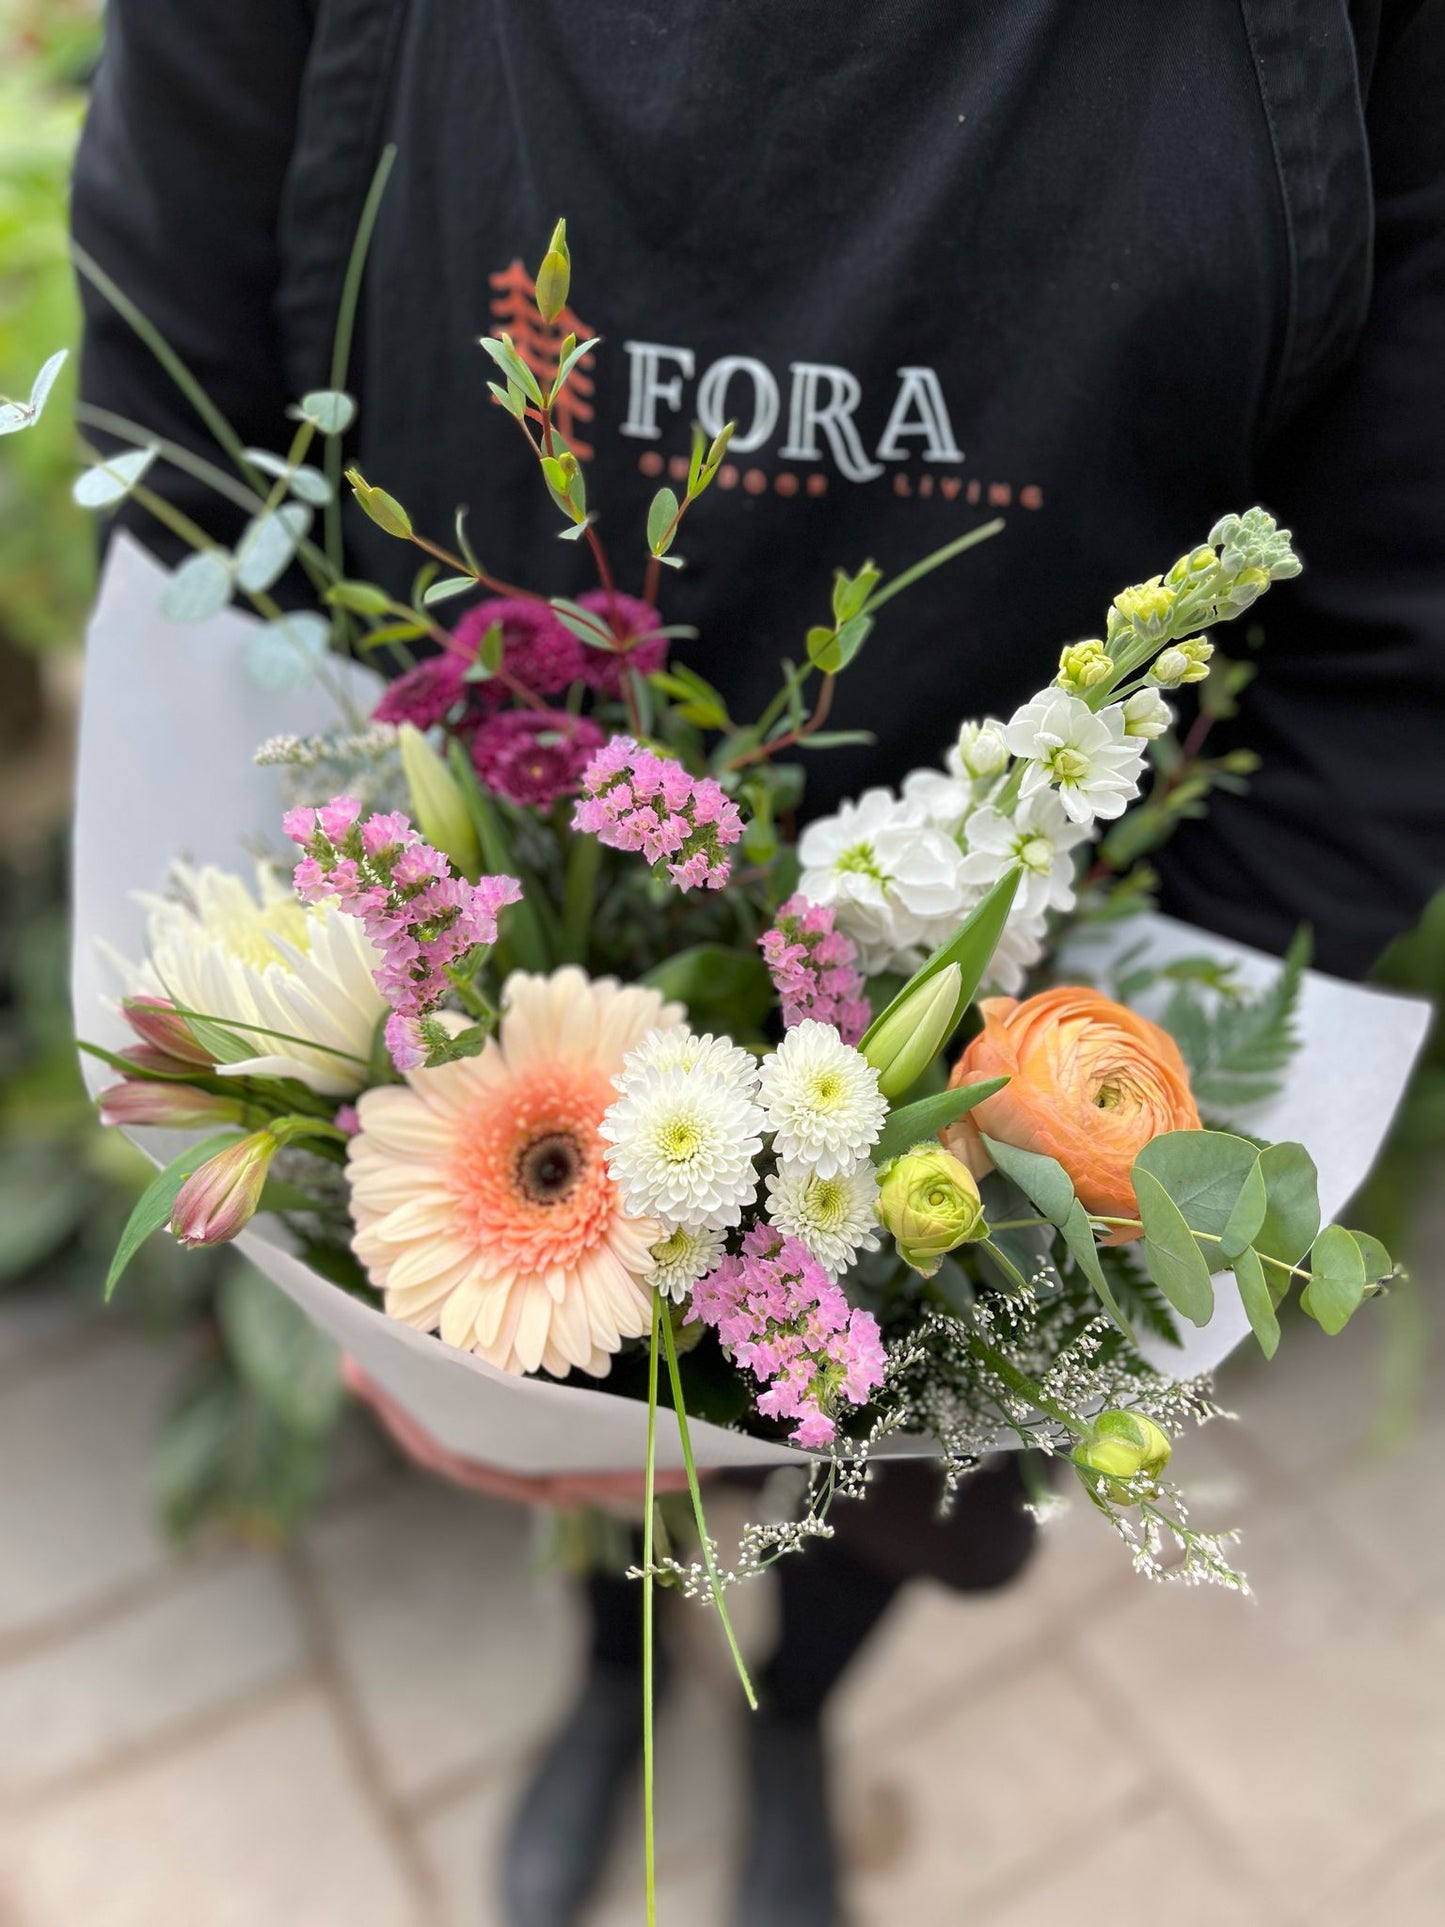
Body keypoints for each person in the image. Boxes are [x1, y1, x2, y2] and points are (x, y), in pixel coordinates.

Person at [72, 3, 1445, 1922]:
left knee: (910, 1487)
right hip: (500, 975)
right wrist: (327, 1109)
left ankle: (795, 1702)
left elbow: (1405, 587)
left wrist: (1148, 1099)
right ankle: (613, 1693)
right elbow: (180, 409)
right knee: (568, 1408)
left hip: (1023, 1029)